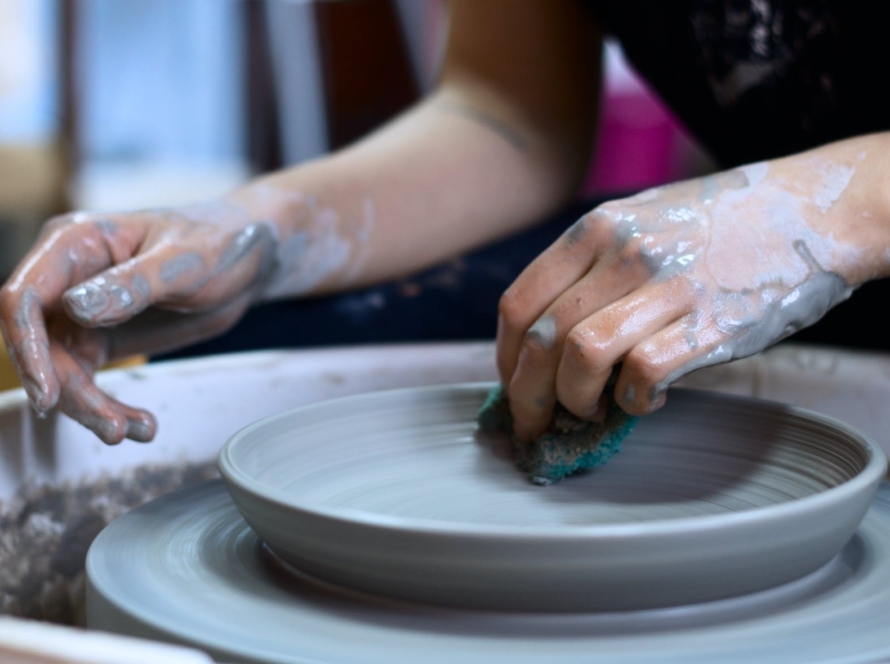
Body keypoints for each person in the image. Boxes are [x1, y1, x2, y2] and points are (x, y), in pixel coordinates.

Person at [1, 0, 889, 445]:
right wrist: (259, 232)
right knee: (230, 368)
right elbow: (509, 113)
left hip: (831, 234)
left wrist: (815, 218)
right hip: (751, 245)